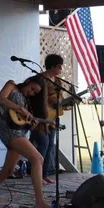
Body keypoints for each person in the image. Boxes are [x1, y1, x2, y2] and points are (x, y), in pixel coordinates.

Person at [0, 75, 52, 208]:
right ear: (28, 81)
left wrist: (31, 124)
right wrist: (21, 109)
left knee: (8, 170)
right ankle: (39, 201)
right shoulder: (11, 85)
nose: (32, 93)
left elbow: (21, 123)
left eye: (35, 93)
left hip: (20, 133)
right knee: (37, 159)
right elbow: (1, 99)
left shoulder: (27, 100)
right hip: (9, 132)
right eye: (32, 89)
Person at [30, 54, 64, 184]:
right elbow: (36, 98)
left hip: (52, 119)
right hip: (40, 118)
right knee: (42, 145)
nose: (61, 69)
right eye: (59, 66)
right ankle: (36, 175)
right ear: (52, 66)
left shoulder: (58, 81)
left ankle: (44, 175)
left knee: (50, 146)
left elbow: (59, 99)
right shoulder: (41, 79)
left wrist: (66, 102)